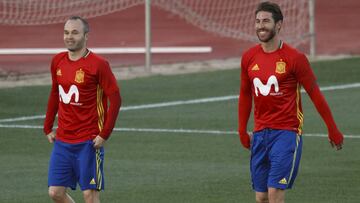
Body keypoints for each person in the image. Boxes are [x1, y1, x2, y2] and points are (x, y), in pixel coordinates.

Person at [238, 2, 343, 203]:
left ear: (279, 25)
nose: (261, 26)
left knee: (274, 193)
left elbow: (315, 94)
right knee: (261, 197)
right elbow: (245, 94)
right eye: (258, 21)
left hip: (286, 132)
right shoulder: (249, 57)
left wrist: (333, 129)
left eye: (266, 21)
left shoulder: (295, 58)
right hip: (260, 133)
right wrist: (242, 130)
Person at [43, 16, 121, 203]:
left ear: (86, 36)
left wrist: (104, 134)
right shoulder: (57, 61)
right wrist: (47, 127)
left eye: (75, 32)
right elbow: (55, 93)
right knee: (55, 193)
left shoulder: (98, 64)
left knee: (90, 195)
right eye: (66, 32)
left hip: (89, 141)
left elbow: (115, 99)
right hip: (63, 140)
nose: (70, 37)